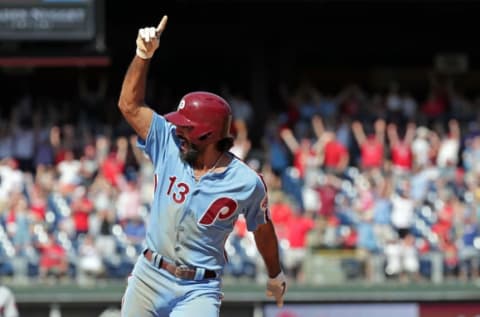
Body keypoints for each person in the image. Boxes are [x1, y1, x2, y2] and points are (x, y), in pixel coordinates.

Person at [117, 15, 286, 317]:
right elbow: (129, 106)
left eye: (186, 128)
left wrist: (275, 274)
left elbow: (262, 229)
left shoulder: (246, 182)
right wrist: (143, 56)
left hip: (199, 289)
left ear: (207, 135)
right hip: (149, 277)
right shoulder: (167, 142)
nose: (177, 130)